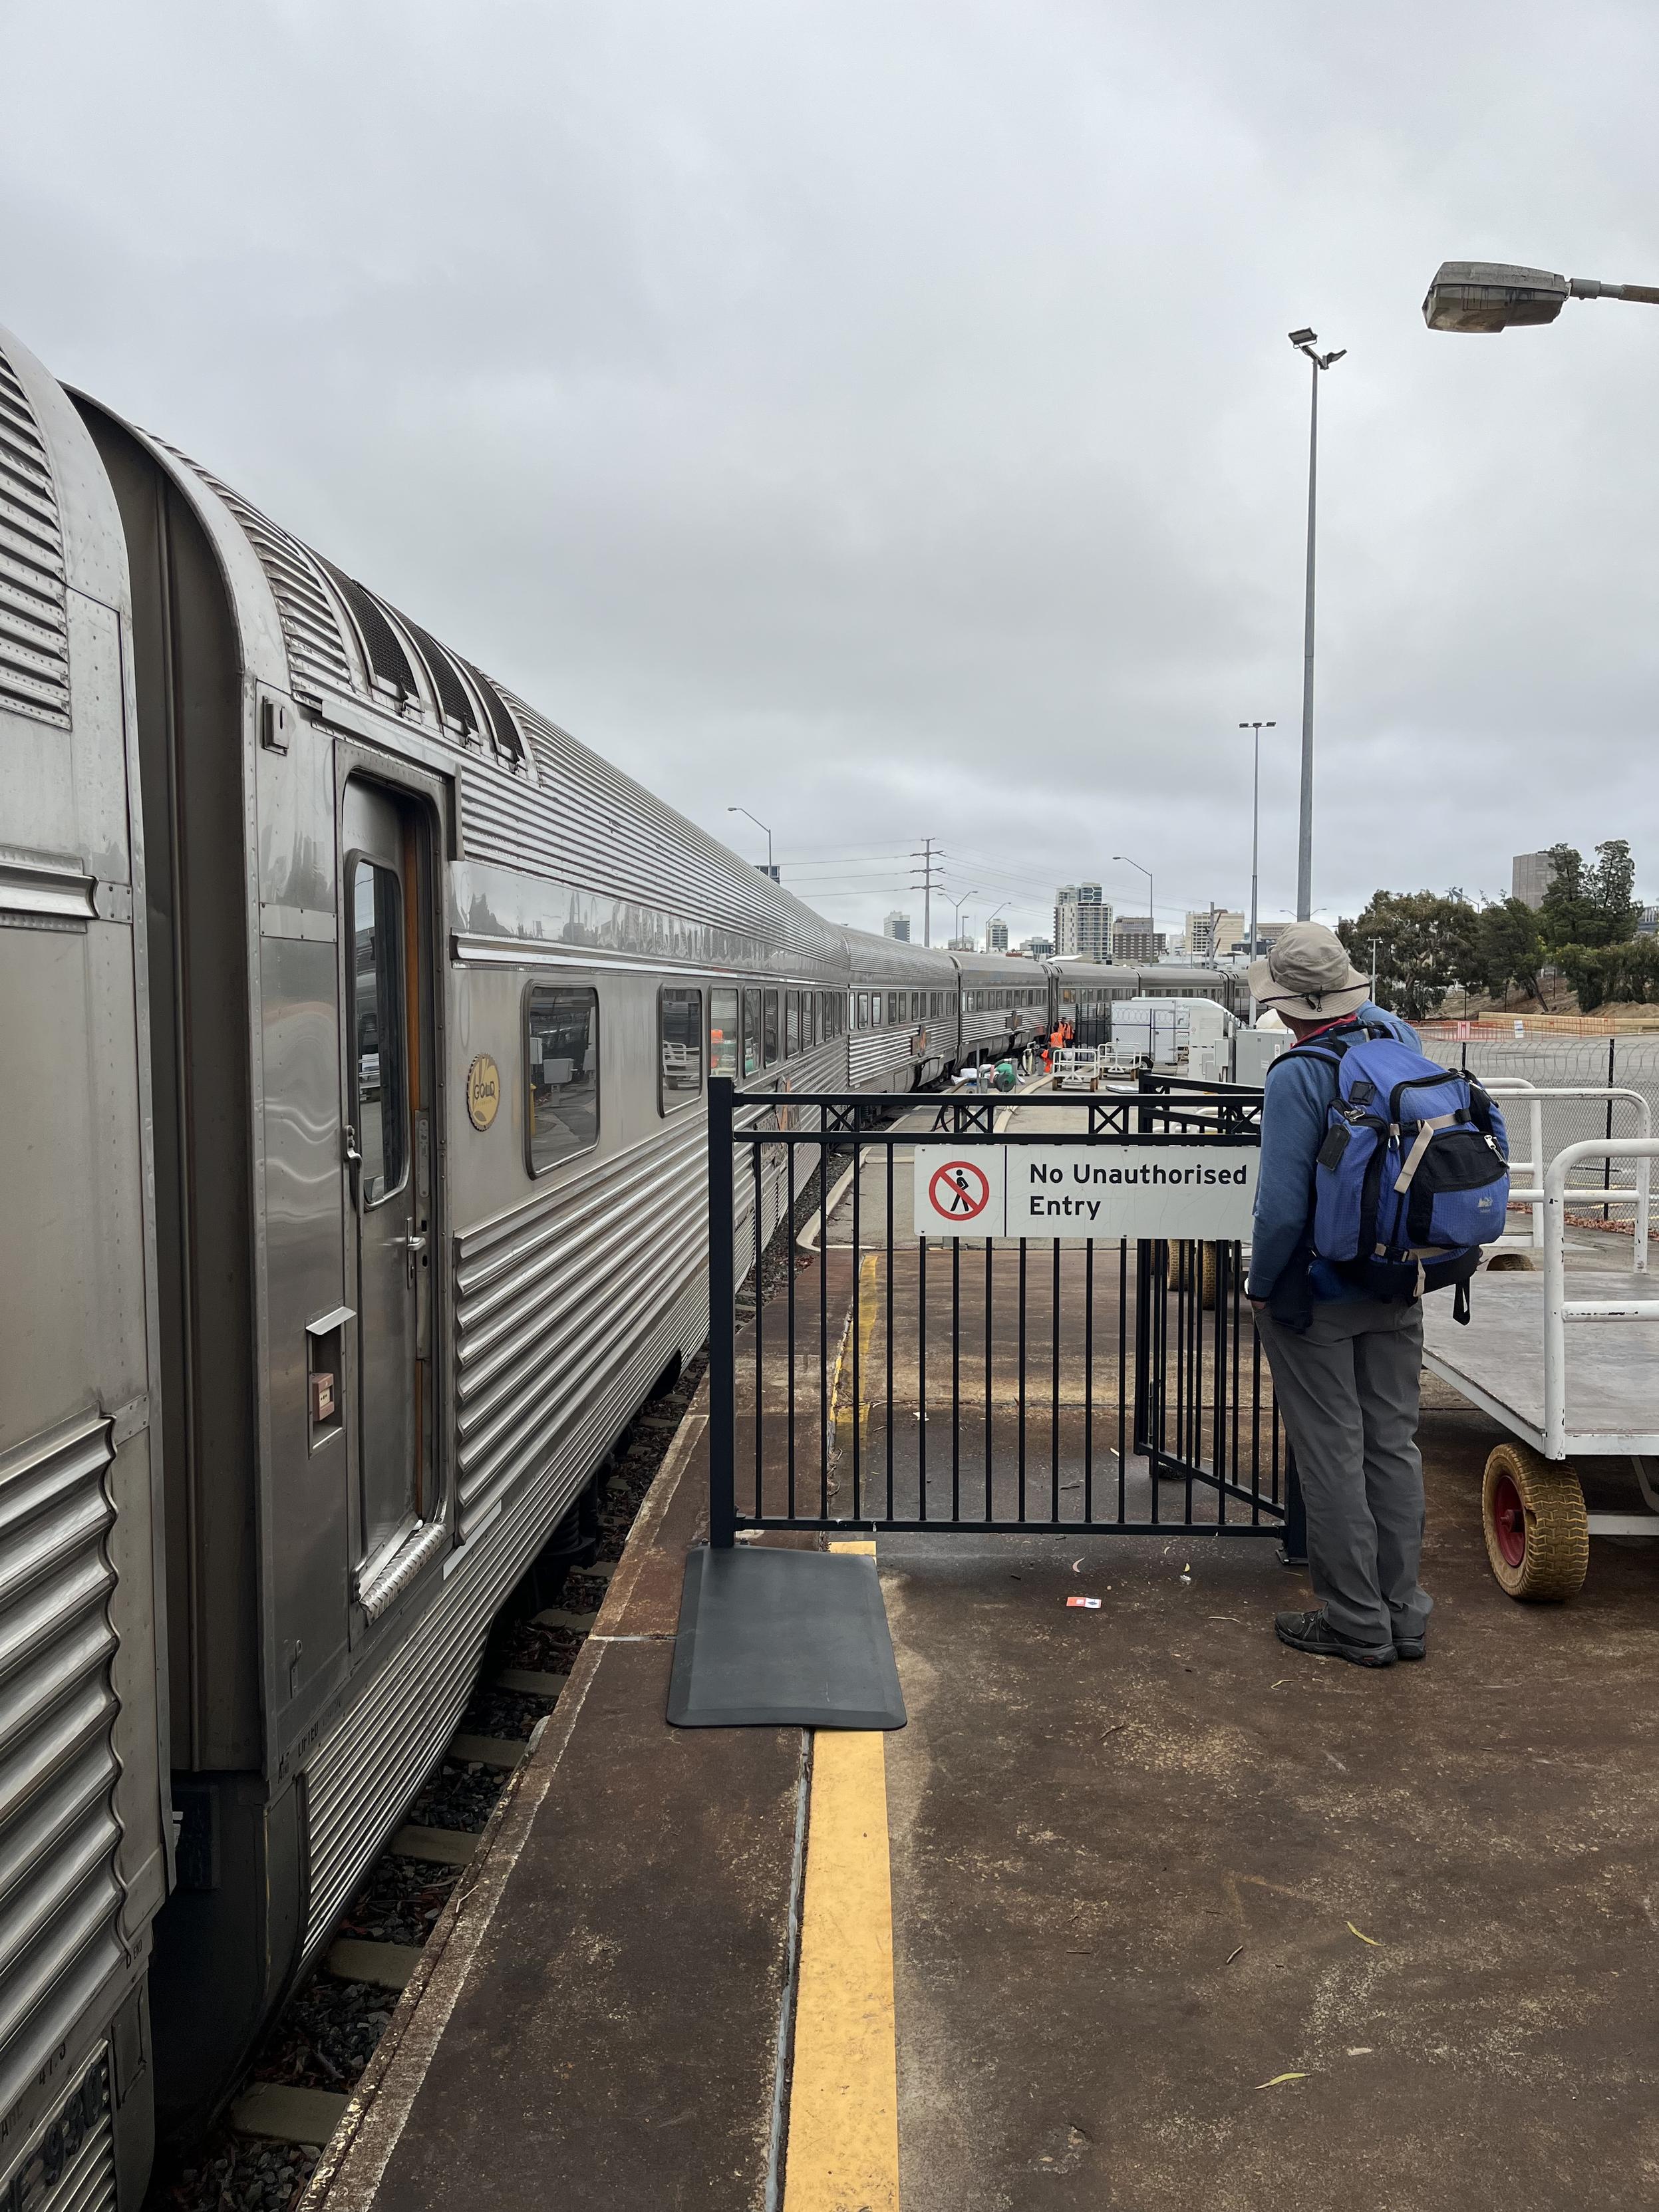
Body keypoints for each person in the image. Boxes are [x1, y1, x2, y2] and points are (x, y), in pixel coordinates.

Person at [1244, 922, 1431, 1670]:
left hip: (1318, 1292)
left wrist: (1260, 1285)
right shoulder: (1400, 1037)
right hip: (1397, 1275)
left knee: (1332, 1454)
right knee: (1392, 1445)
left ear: (1287, 1006)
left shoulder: (1297, 1073)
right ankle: (1404, 1615)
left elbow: (1283, 1207)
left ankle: (1356, 1623)